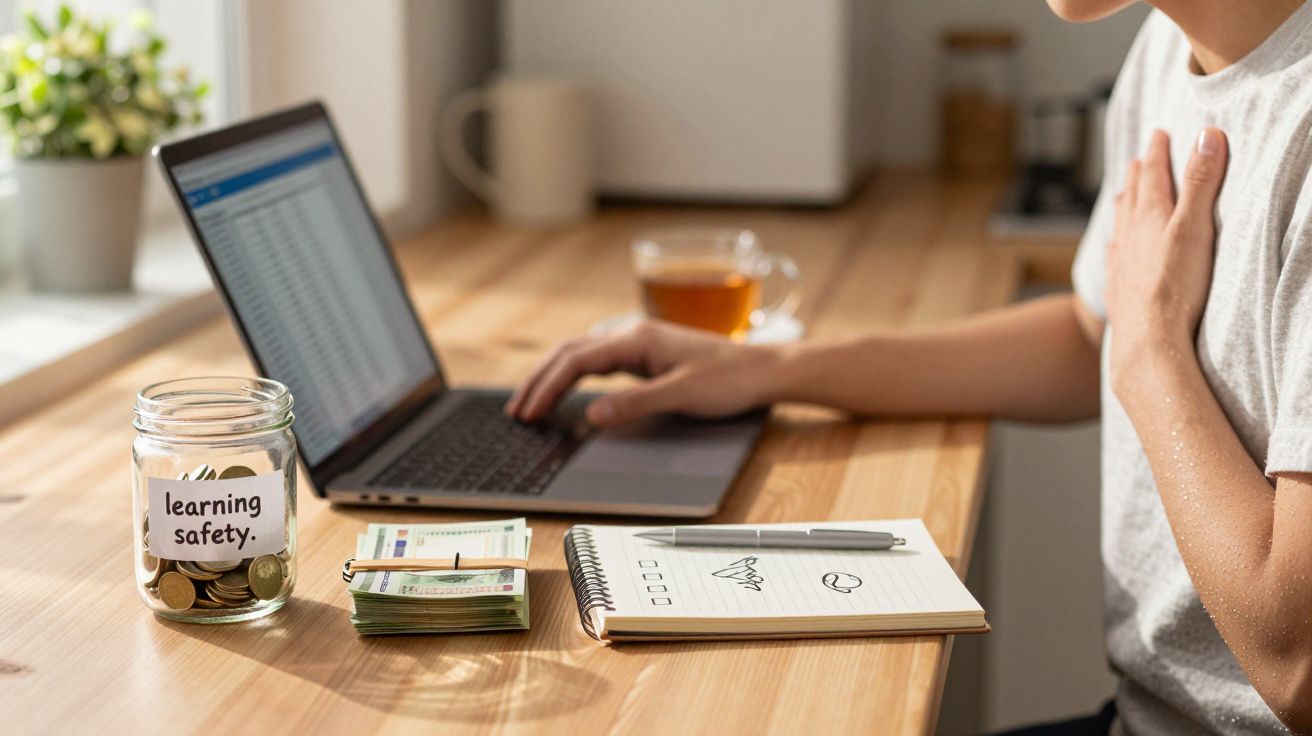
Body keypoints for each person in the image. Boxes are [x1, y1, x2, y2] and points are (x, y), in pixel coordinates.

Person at [507, 1, 1312, 733]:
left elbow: (1296, 665)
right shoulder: (1168, 49)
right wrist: (767, 370)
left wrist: (1149, 352)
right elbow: (1088, 334)